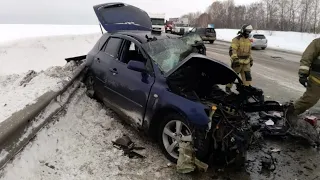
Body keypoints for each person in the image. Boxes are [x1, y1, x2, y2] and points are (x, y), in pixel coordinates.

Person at [287, 38, 320, 145]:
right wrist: (303, 73)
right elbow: (307, 57)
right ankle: (290, 113)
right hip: (317, 78)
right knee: (310, 99)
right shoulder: (317, 42)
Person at [226, 24, 254, 93]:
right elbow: (232, 50)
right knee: (233, 75)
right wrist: (235, 59)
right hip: (238, 61)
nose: (248, 33)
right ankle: (228, 88)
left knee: (247, 77)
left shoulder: (248, 40)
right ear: (243, 31)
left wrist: (251, 59)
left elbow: (249, 52)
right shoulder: (237, 39)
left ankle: (247, 90)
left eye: (249, 32)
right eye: (247, 31)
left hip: (246, 62)